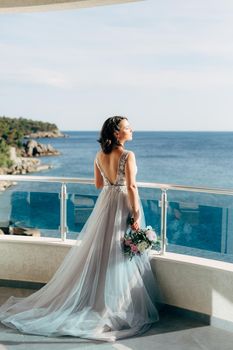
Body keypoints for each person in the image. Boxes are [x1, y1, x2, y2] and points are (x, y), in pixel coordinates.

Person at [0, 116, 160, 342]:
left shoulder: (99, 155)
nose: (131, 129)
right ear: (116, 133)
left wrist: (112, 183)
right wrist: (135, 213)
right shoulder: (127, 155)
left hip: (106, 202)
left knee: (102, 249)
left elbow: (97, 184)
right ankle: (114, 303)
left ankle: (96, 300)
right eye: (127, 127)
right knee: (119, 253)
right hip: (122, 202)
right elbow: (132, 186)